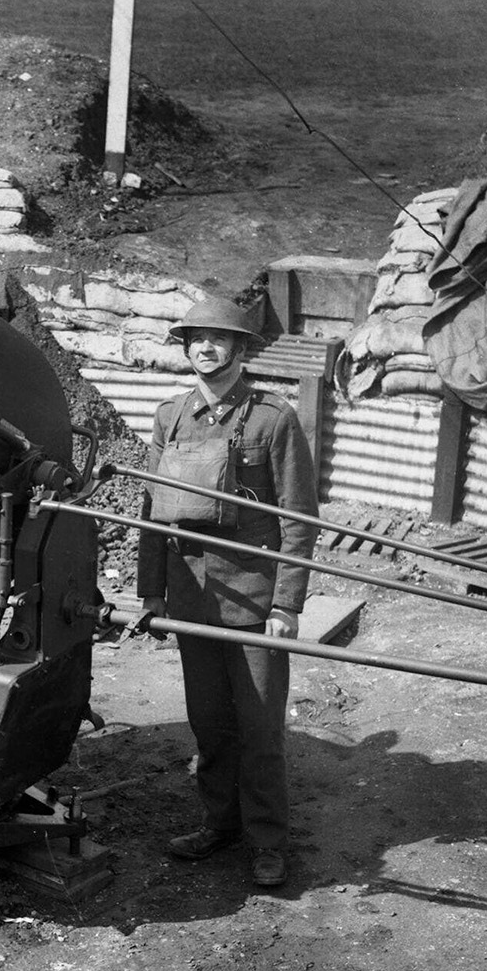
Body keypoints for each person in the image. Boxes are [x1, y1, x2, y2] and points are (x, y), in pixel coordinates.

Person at [136, 295, 316, 887]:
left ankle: (267, 842)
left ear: (241, 350)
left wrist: (287, 603)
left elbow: (299, 518)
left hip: (255, 600)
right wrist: (153, 594)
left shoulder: (273, 419)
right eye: (196, 340)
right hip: (191, 598)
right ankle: (220, 825)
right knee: (209, 724)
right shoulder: (171, 416)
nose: (206, 349)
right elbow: (153, 513)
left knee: (260, 729)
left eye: (218, 339)